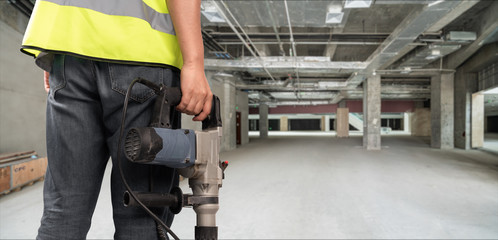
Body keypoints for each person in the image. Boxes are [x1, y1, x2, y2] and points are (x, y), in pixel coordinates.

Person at [21, 0, 212, 239]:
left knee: (63, 211)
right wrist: (193, 62)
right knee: (141, 214)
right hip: (142, 53)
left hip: (67, 51)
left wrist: (51, 53)